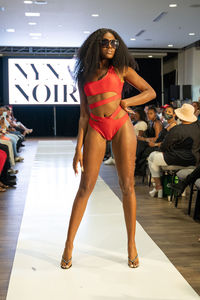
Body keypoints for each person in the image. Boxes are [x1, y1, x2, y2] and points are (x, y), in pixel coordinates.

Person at [60, 28, 156, 270]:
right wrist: (77, 148)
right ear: (96, 45)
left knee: (128, 186)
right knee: (85, 187)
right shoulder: (84, 75)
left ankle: (131, 245)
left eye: (114, 42)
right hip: (96, 126)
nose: (111, 46)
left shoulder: (122, 69)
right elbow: (83, 115)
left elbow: (150, 92)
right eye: (105, 42)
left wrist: (127, 102)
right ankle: (68, 244)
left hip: (121, 124)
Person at [148, 103, 200, 198]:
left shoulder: (177, 129)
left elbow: (164, 146)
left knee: (152, 157)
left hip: (177, 159)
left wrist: (161, 149)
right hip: (196, 160)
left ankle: (158, 187)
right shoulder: (198, 127)